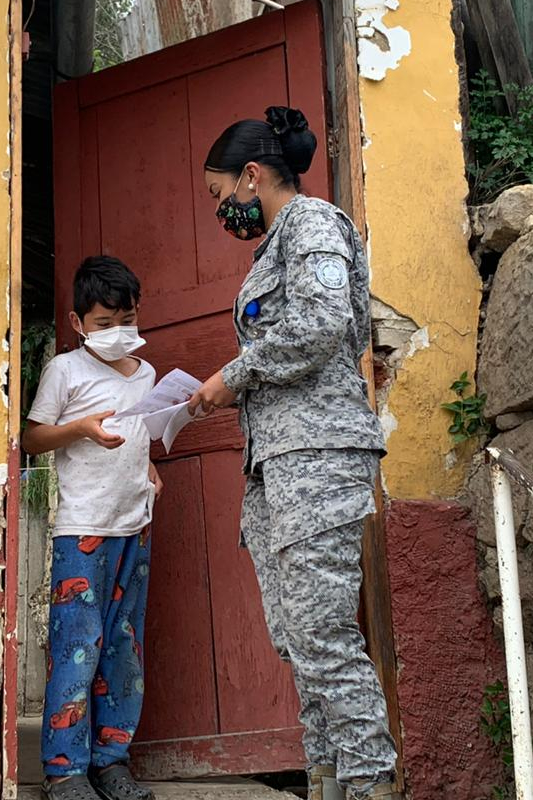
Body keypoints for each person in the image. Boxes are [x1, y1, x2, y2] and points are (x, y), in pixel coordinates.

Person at [187, 106, 399, 800]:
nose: (225, 212)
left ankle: (369, 783)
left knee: (324, 636)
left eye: (222, 196)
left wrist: (232, 376)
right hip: (277, 462)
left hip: (321, 454)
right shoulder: (274, 245)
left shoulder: (311, 223)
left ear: (253, 175)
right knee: (299, 640)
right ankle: (327, 779)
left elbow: (319, 325)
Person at [23, 256, 162, 800]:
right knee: (78, 644)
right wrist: (79, 428)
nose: (117, 331)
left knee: (124, 647)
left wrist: (146, 465)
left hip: (136, 524)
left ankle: (112, 760)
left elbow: (139, 432)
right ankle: (64, 769)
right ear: (79, 323)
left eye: (126, 319)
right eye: (104, 323)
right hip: (81, 528)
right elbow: (33, 439)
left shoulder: (147, 373)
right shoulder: (65, 371)